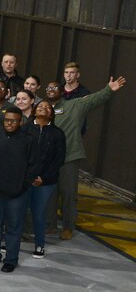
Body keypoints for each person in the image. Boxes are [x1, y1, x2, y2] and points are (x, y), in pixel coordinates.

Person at [44, 76, 126, 239]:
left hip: (69, 157)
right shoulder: (42, 109)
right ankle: (50, 224)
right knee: (50, 194)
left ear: (62, 91)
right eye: (48, 88)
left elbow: (94, 100)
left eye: (55, 88)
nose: (51, 90)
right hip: (48, 160)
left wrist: (109, 90)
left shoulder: (74, 105)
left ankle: (68, 227)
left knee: (68, 193)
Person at [0, 107, 36, 273]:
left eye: (13, 120)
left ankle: (11, 259)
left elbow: (33, 166)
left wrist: (23, 186)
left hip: (16, 194)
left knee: (13, 228)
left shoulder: (28, 140)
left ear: (20, 122)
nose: (9, 123)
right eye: (6, 120)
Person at [23, 101, 65, 258]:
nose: (43, 108)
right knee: (18, 211)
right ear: (34, 111)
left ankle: (40, 245)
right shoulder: (25, 130)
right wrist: (28, 176)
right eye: (40, 106)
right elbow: (20, 155)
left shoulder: (58, 134)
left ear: (52, 114)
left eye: (48, 107)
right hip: (25, 180)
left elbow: (58, 159)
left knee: (38, 213)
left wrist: (43, 177)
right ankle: (10, 241)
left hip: (46, 182)